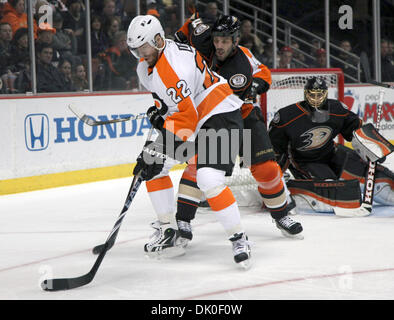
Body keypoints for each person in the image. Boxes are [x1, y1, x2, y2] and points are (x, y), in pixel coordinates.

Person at [127, 14, 252, 268]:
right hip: (195, 115)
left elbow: (186, 117)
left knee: (208, 179)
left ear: (159, 40)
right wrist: (160, 111)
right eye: (136, 49)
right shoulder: (151, 62)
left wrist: (159, 148)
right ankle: (169, 230)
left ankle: (239, 238)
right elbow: (171, 103)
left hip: (220, 111)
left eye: (144, 47)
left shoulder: (172, 69)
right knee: (151, 167)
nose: (141, 53)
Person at [174, 14, 303, 245]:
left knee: (268, 170)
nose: (219, 45)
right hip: (216, 119)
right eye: (217, 40)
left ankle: (282, 215)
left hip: (244, 115)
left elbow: (263, 72)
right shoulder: (204, 48)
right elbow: (190, 26)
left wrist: (256, 84)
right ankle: (182, 221)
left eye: (225, 41)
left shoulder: (244, 57)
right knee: (198, 167)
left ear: (235, 40)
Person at [268, 77, 394, 214]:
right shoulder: (287, 117)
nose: (316, 98)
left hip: (332, 154)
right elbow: (275, 148)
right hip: (305, 162)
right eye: (312, 94)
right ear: (306, 94)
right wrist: (275, 177)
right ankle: (294, 191)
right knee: (333, 188)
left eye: (320, 94)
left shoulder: (336, 109)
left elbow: (355, 130)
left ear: (326, 94)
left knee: (382, 177)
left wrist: (373, 145)